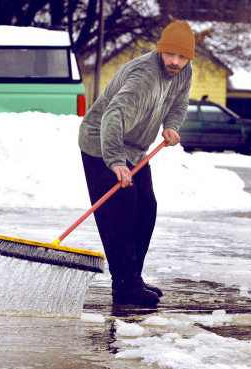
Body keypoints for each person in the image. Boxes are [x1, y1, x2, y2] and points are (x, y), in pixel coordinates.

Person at [78, 21, 195, 306]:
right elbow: (112, 117)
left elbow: (179, 102)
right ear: (161, 50)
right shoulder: (144, 76)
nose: (176, 62)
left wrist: (172, 125)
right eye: (170, 54)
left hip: (137, 149)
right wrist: (116, 161)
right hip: (101, 144)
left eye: (182, 56)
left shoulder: (184, 71)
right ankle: (125, 285)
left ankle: (133, 279)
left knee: (146, 210)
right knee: (122, 211)